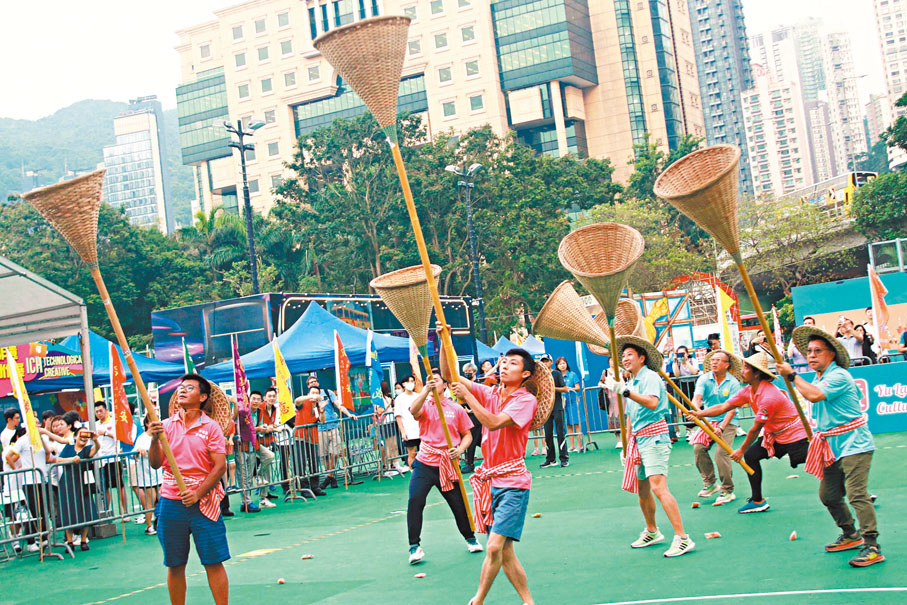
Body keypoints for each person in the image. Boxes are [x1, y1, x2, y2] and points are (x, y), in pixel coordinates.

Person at [779, 327, 884, 567]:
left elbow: (815, 396)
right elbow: (812, 397)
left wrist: (792, 376)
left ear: (832, 354)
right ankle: (850, 533)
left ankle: (872, 545)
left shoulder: (838, 376)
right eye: (809, 351)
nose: (811, 355)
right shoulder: (819, 377)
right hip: (831, 445)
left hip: (855, 443)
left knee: (857, 494)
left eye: (818, 351)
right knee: (829, 495)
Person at [444, 347, 539, 605]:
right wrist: (444, 340)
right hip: (490, 481)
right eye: (504, 362)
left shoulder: (525, 400)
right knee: (505, 552)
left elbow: (494, 422)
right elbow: (449, 374)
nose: (505, 366)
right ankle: (528, 602)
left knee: (495, 546)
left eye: (513, 363)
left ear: (525, 374)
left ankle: (478, 600)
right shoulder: (491, 393)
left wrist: (468, 397)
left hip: (513, 482)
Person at [603, 336, 694, 558]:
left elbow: (652, 403)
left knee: (658, 487)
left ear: (642, 358)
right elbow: (630, 416)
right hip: (638, 439)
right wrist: (626, 446)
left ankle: (682, 537)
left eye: (629, 355)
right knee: (643, 491)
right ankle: (652, 531)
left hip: (654, 437)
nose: (625, 359)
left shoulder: (650, 377)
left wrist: (625, 392)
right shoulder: (632, 381)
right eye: (623, 356)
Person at [689, 352, 809, 514]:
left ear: (756, 373)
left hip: (795, 435)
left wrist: (741, 450)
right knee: (752, 456)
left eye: (746, 368)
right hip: (775, 435)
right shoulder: (748, 390)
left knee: (813, 459)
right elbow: (724, 407)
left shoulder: (769, 396)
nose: (742, 371)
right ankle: (757, 500)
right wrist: (699, 413)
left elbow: (755, 429)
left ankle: (837, 469)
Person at [148, 373, 229, 605]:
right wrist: (154, 439)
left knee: (213, 561)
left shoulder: (211, 427)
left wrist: (197, 493)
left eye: (190, 388)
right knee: (175, 564)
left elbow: (220, 466)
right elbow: (155, 464)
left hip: (204, 503)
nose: (183, 390)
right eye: (181, 387)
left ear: (202, 397)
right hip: (171, 502)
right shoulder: (165, 426)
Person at [406, 373, 481, 564]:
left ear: (445, 385)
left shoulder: (456, 408)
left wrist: (460, 449)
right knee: (415, 500)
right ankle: (414, 547)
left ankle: (470, 538)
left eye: (437, 380)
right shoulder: (425, 404)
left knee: (458, 504)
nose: (433, 382)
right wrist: (425, 391)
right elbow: (413, 411)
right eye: (429, 379)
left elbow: (467, 435)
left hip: (447, 464)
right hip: (424, 463)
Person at [690, 350, 742, 506]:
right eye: (712, 360)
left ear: (727, 365)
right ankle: (710, 483)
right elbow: (697, 398)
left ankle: (727, 490)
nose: (714, 362)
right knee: (698, 448)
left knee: (721, 453)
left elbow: (731, 409)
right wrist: (696, 411)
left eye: (718, 360)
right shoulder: (704, 379)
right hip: (708, 419)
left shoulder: (733, 383)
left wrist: (722, 427)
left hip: (728, 421)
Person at [57, 428, 100, 549]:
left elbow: (95, 450)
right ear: (75, 436)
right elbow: (58, 460)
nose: (84, 438)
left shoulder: (87, 449)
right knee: (68, 510)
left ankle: (83, 540)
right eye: (81, 434)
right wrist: (72, 459)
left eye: (87, 435)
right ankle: (69, 541)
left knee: (85, 509)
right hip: (67, 483)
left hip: (83, 482)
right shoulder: (68, 448)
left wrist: (96, 441)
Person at [316, 383, 357, 489]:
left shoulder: (327, 393)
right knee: (324, 455)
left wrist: (349, 414)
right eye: (310, 383)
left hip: (333, 427)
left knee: (334, 454)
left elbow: (339, 405)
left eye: (314, 382)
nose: (313, 384)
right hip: (320, 429)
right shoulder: (310, 399)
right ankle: (332, 478)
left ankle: (329, 476)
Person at [233, 392, 267, 512]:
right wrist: (235, 403)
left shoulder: (259, 412)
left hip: (252, 447)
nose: (256, 401)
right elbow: (237, 424)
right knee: (242, 476)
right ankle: (246, 501)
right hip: (241, 447)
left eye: (258, 399)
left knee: (248, 477)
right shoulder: (241, 413)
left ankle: (246, 501)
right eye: (253, 399)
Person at [257, 387, 294, 496]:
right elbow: (261, 426)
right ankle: (258, 482)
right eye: (270, 396)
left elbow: (271, 425)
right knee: (261, 465)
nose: (272, 398)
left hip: (268, 441)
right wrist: (273, 429)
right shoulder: (260, 408)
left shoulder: (275, 408)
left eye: (274, 396)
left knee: (267, 467)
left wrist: (272, 429)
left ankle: (265, 493)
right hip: (257, 442)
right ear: (264, 398)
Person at [94, 401, 127, 518]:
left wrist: (105, 433)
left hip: (113, 459)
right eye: (96, 411)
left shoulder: (114, 422)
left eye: (101, 411)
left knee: (120, 486)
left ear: (106, 410)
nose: (99, 413)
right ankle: (106, 512)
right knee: (104, 487)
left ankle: (125, 512)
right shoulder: (94, 425)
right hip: (101, 461)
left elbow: (119, 436)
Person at [293, 384, 327, 497]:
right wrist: (310, 397)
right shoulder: (303, 402)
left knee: (314, 463)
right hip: (300, 437)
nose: (315, 395)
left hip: (313, 438)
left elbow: (322, 421)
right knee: (301, 463)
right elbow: (297, 400)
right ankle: (304, 488)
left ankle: (315, 487)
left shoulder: (318, 406)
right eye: (313, 392)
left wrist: (322, 411)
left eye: (317, 393)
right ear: (308, 393)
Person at [540, 355, 569, 468]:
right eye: (543, 361)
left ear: (551, 362)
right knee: (548, 434)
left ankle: (564, 458)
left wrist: (552, 388)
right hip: (546, 409)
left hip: (557, 407)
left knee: (560, 433)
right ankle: (551, 459)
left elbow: (565, 389)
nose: (545, 363)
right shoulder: (540, 376)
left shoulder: (556, 374)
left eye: (546, 361)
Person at [394, 375, 421, 469]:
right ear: (404, 384)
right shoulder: (399, 399)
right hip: (409, 431)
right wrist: (403, 432)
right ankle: (413, 472)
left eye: (412, 381)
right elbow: (398, 416)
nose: (411, 383)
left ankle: (424, 472)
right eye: (408, 381)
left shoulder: (418, 396)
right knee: (412, 453)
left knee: (424, 453)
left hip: (421, 430)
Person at [558, 357, 583, 453]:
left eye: (564, 363)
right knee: (568, 424)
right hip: (563, 403)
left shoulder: (572, 375)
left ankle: (580, 445)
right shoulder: (558, 376)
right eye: (560, 364)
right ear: (557, 366)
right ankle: (572, 446)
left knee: (576, 424)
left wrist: (570, 388)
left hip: (573, 402)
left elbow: (578, 387)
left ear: (566, 364)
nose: (562, 365)